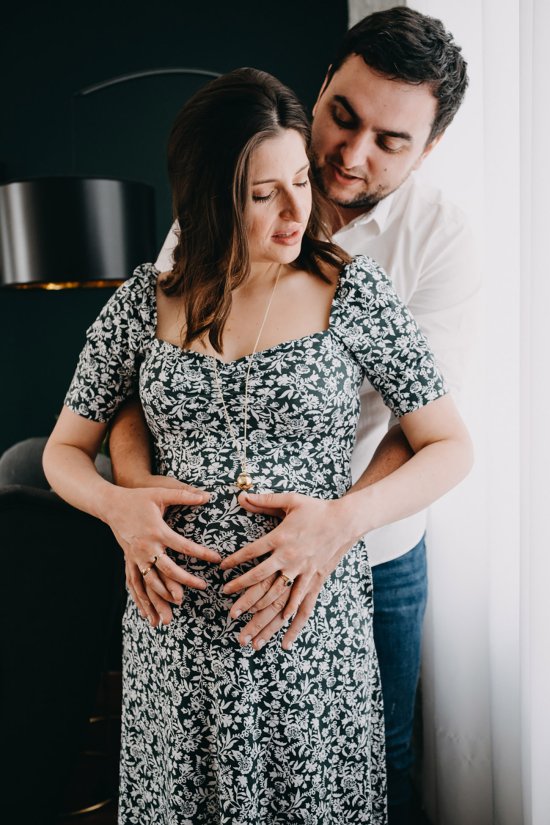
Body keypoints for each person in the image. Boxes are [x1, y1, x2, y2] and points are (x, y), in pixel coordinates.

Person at [43, 67, 472, 824]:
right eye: (262, 193)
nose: (295, 211)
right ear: (210, 197)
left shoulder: (352, 290)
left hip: (307, 630)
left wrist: (339, 521)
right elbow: (62, 452)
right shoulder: (146, 300)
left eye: (300, 181)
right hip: (174, 642)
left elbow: (447, 444)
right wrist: (120, 508)